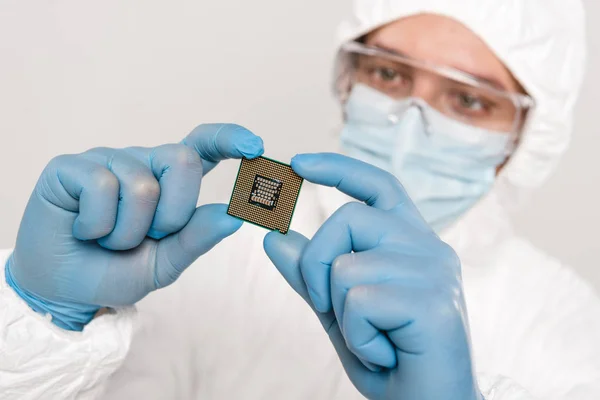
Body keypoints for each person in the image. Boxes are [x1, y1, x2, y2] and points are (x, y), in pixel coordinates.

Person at [1, 0, 599, 399]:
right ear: (348, 80)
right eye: (389, 74)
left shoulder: (570, 327)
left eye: (470, 101)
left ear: (523, 139)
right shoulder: (212, 253)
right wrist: (44, 322)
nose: (412, 120)